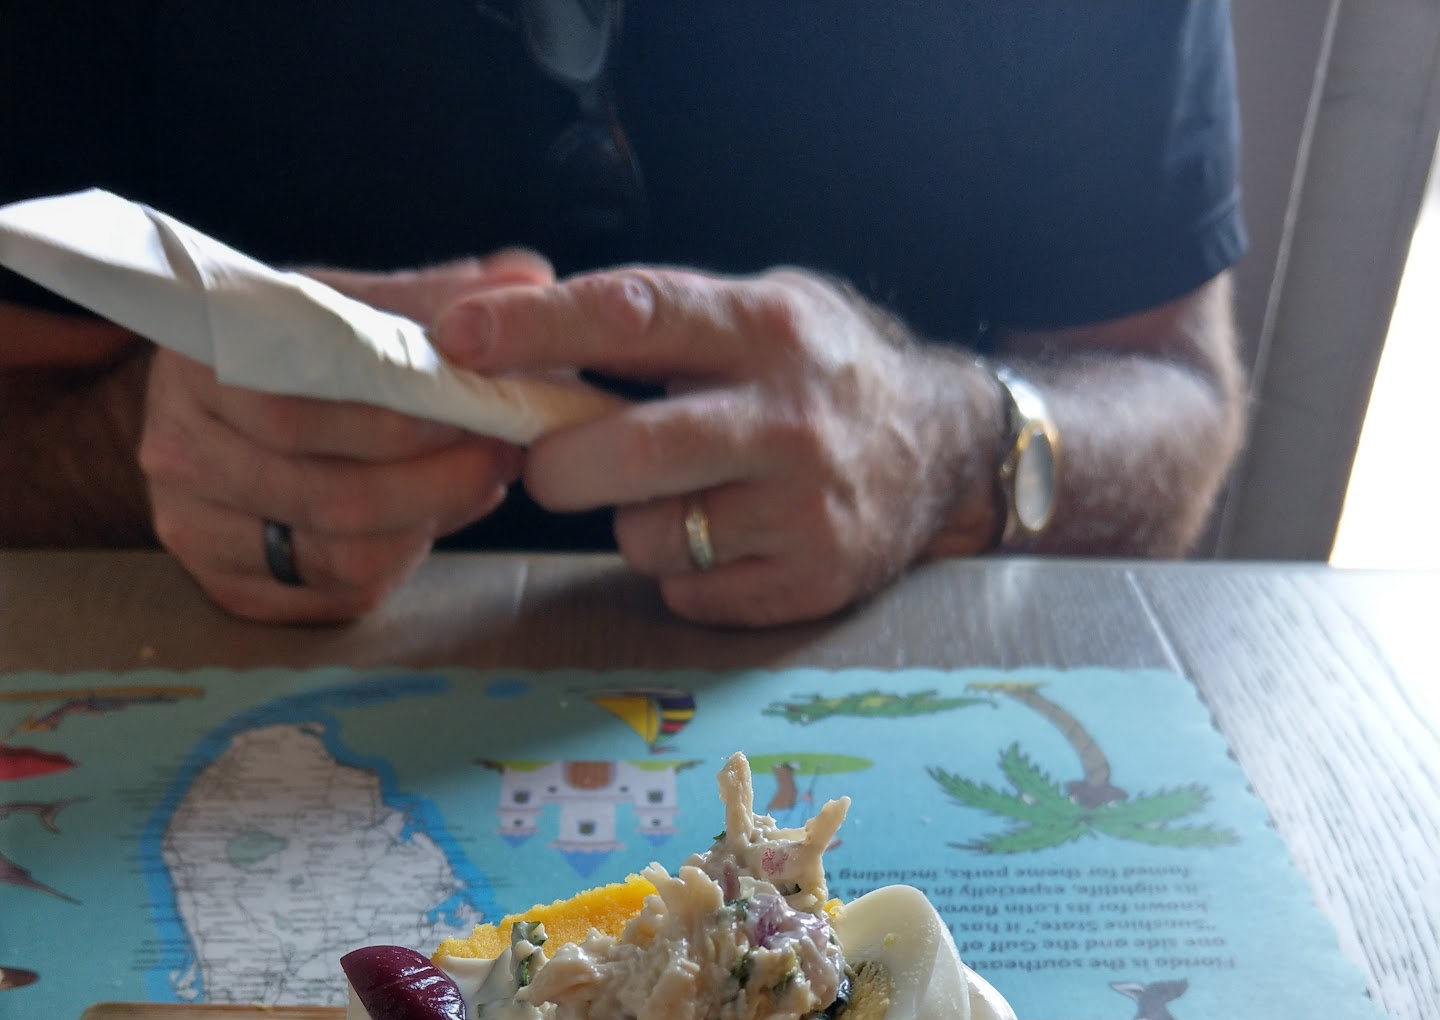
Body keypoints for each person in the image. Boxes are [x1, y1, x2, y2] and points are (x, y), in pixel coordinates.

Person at [0, 1, 1247, 629]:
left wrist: (944, 450)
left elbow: (1177, 393)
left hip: (882, 727)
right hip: (254, 744)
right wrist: (152, 447)